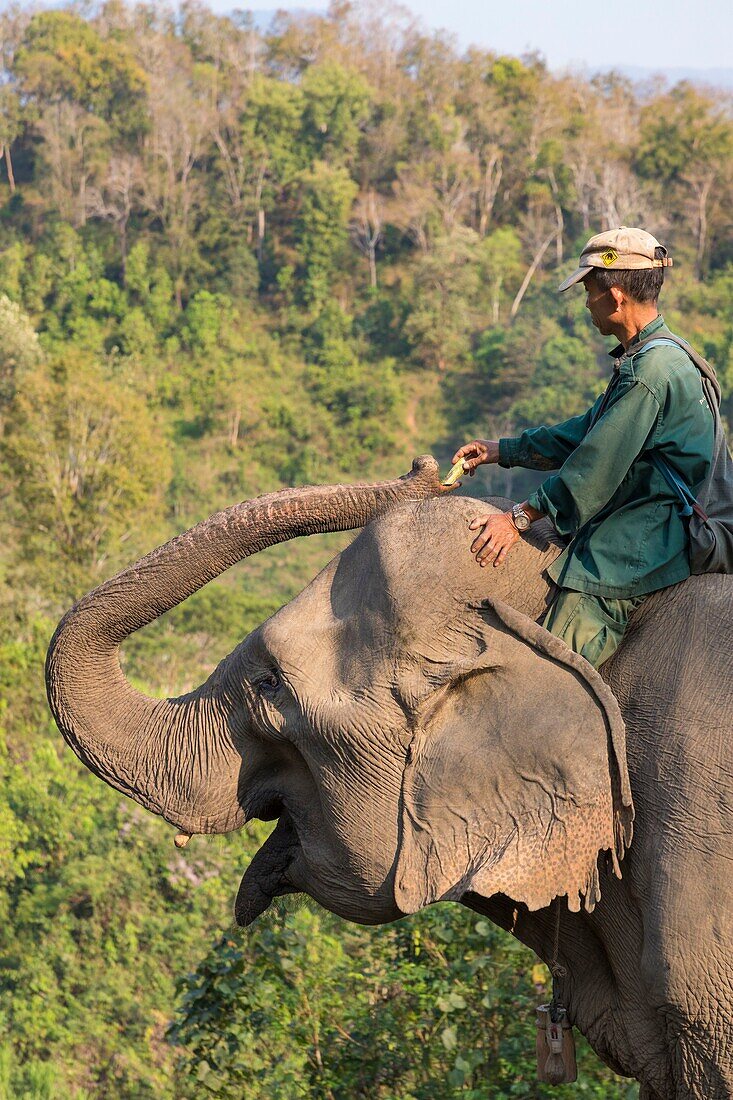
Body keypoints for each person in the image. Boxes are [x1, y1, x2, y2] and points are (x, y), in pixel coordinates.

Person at [452, 226, 715, 669]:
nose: (586, 304)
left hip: (644, 535)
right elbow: (587, 433)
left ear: (615, 297)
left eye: (588, 291)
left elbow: (593, 469)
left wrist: (517, 520)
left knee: (545, 671)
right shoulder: (657, 355)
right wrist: (503, 450)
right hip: (644, 513)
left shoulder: (652, 372)